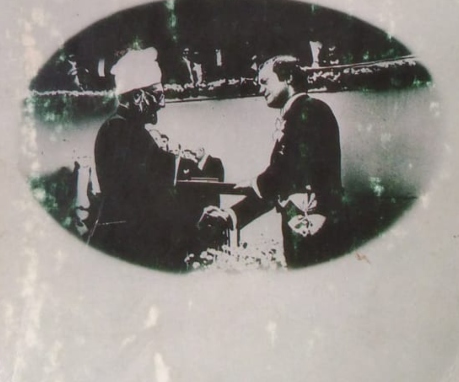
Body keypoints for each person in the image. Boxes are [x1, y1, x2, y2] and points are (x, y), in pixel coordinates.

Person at [90, 47, 225, 271]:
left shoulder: (129, 129)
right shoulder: (118, 130)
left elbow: (157, 174)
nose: (162, 103)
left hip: (132, 239)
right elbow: (147, 188)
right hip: (123, 242)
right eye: (158, 95)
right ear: (137, 96)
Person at [206, 55, 345, 268]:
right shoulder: (297, 112)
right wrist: (232, 214)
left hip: (313, 226)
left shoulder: (310, 110)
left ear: (288, 78)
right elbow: (281, 185)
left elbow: (286, 173)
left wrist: (255, 182)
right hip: (300, 224)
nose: (260, 89)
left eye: (265, 82)